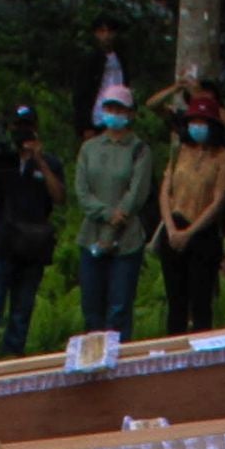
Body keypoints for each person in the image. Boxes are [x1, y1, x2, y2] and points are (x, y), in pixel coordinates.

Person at [62, 93, 158, 342]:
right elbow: (82, 191)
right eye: (110, 108)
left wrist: (118, 218)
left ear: (130, 113)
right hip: (91, 236)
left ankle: (119, 366)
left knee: (119, 309)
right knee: (92, 308)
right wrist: (106, 213)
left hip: (126, 240)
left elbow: (137, 193)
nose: (114, 114)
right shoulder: (90, 148)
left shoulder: (139, 149)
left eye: (120, 109)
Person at [0, 103, 66, 361]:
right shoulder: (3, 161)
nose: (22, 133)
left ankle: (12, 359)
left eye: (27, 127)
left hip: (32, 247)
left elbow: (59, 197)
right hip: (1, 243)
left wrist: (38, 160)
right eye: (18, 127)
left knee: (21, 311)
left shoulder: (50, 162)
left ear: (36, 130)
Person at [158, 93, 225, 333]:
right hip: (173, 227)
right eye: (194, 122)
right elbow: (165, 192)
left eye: (203, 122)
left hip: (202, 234)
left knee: (201, 303)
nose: (197, 127)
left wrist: (190, 232)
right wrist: (171, 228)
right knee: (176, 303)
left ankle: (201, 360)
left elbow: (219, 200)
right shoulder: (179, 151)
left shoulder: (223, 158)